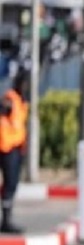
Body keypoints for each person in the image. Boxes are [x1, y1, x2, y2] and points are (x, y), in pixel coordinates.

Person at [0, 71, 29, 233]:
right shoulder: (10, 98)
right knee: (9, 184)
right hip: (6, 148)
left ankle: (7, 219)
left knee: (11, 184)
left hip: (16, 148)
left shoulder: (22, 101)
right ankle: (6, 220)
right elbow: (3, 107)